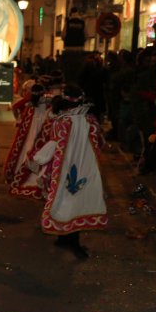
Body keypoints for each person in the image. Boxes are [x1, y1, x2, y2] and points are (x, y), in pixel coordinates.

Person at [27, 85, 107, 259]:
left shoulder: (60, 121)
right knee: (76, 200)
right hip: (84, 168)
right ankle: (72, 242)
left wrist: (38, 158)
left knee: (63, 198)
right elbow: (99, 143)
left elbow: (51, 144)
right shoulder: (90, 121)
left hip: (60, 169)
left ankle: (64, 238)